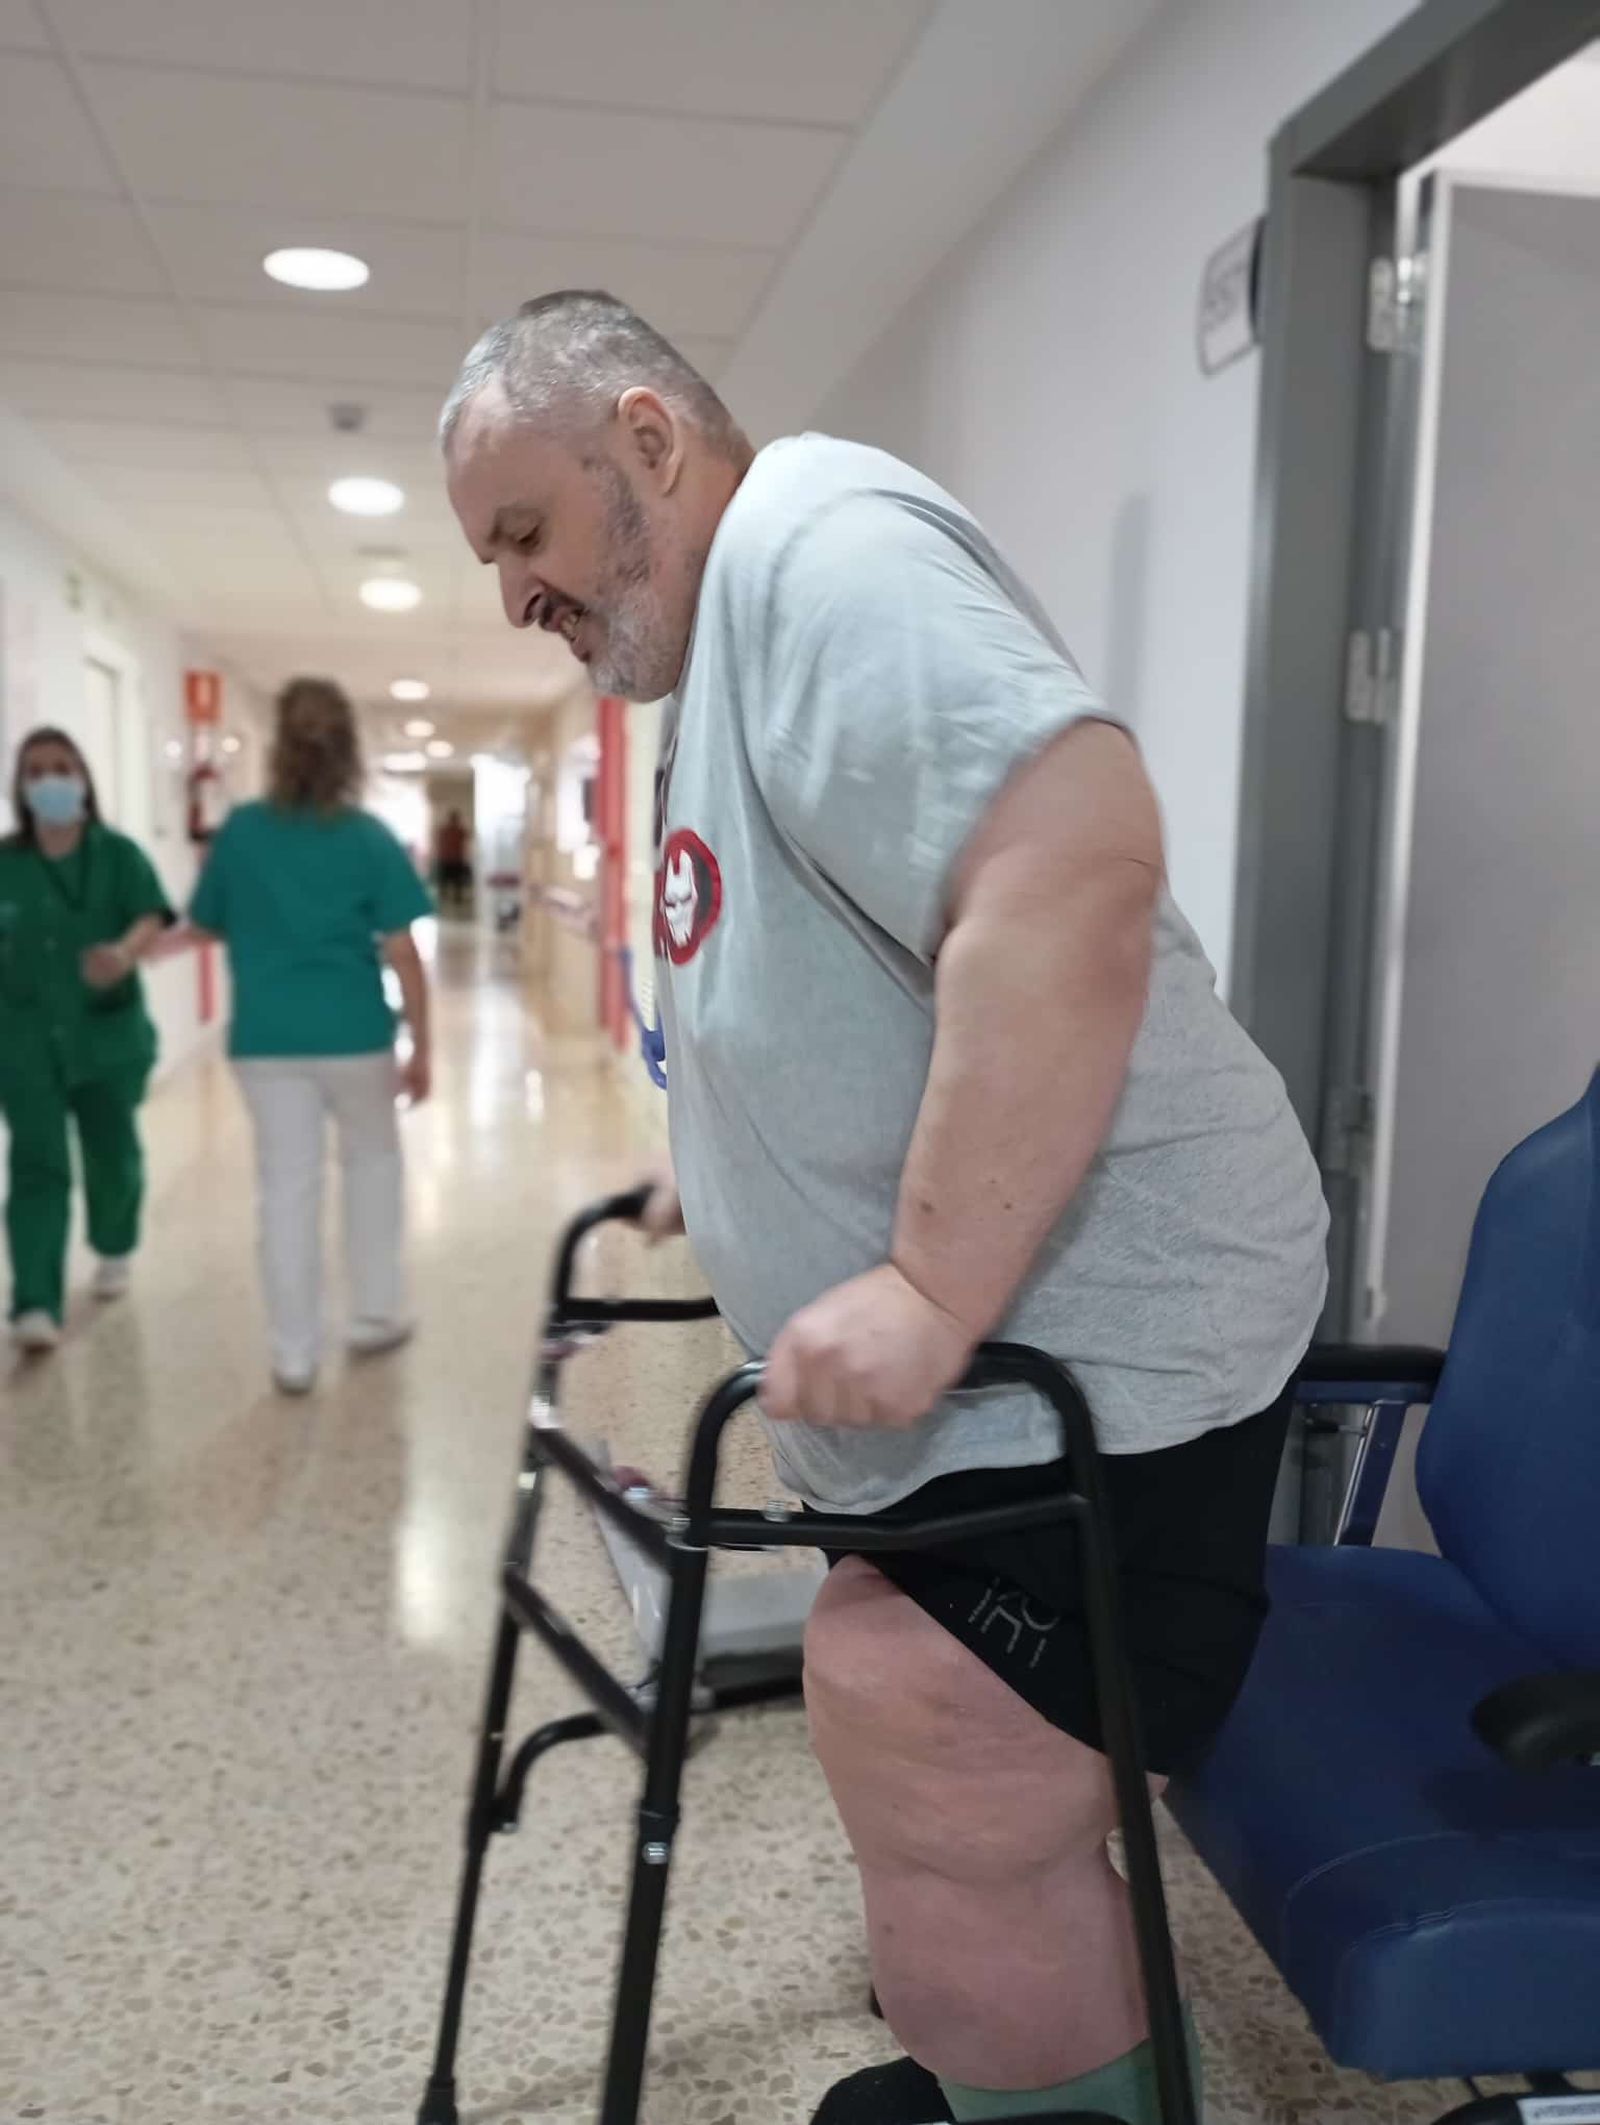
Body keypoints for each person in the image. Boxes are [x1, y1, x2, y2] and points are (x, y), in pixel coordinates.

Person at [440, 293, 1330, 2125]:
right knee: (923, 1741)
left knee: (930, 1720)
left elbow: (1063, 872)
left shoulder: (824, 550)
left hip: (1113, 1331)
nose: (511, 595)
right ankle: (1018, 2056)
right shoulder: (728, 649)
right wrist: (730, 1169)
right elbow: (824, 972)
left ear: (650, 441)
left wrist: (928, 1282)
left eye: (523, 532)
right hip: (995, 1368)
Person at [189, 678, 433, 1395]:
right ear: (350, 752)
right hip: (355, 1035)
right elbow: (404, 953)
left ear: (278, 748)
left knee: (287, 1188)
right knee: (372, 1172)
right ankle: (374, 1315)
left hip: (266, 1041)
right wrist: (424, 1047)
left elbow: (208, 920)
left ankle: (294, 1353)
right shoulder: (366, 838)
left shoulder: (240, 833)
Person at [0, 727, 174, 1352]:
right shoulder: (6, 863)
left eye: (62, 768)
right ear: (22, 787)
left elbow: (152, 914)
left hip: (106, 1033)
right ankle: (35, 1302)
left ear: (84, 779)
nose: (50, 780)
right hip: (22, 1041)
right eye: (37, 770)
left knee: (112, 1154)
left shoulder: (118, 855)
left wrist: (125, 954)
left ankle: (114, 1245)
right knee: (37, 1164)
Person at [434, 807, 472, 910]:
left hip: (455, 859)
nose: (454, 820)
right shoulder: (446, 830)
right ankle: (444, 897)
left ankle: (455, 898)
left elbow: (467, 839)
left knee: (456, 881)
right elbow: (440, 843)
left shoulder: (459, 830)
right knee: (444, 880)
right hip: (447, 858)